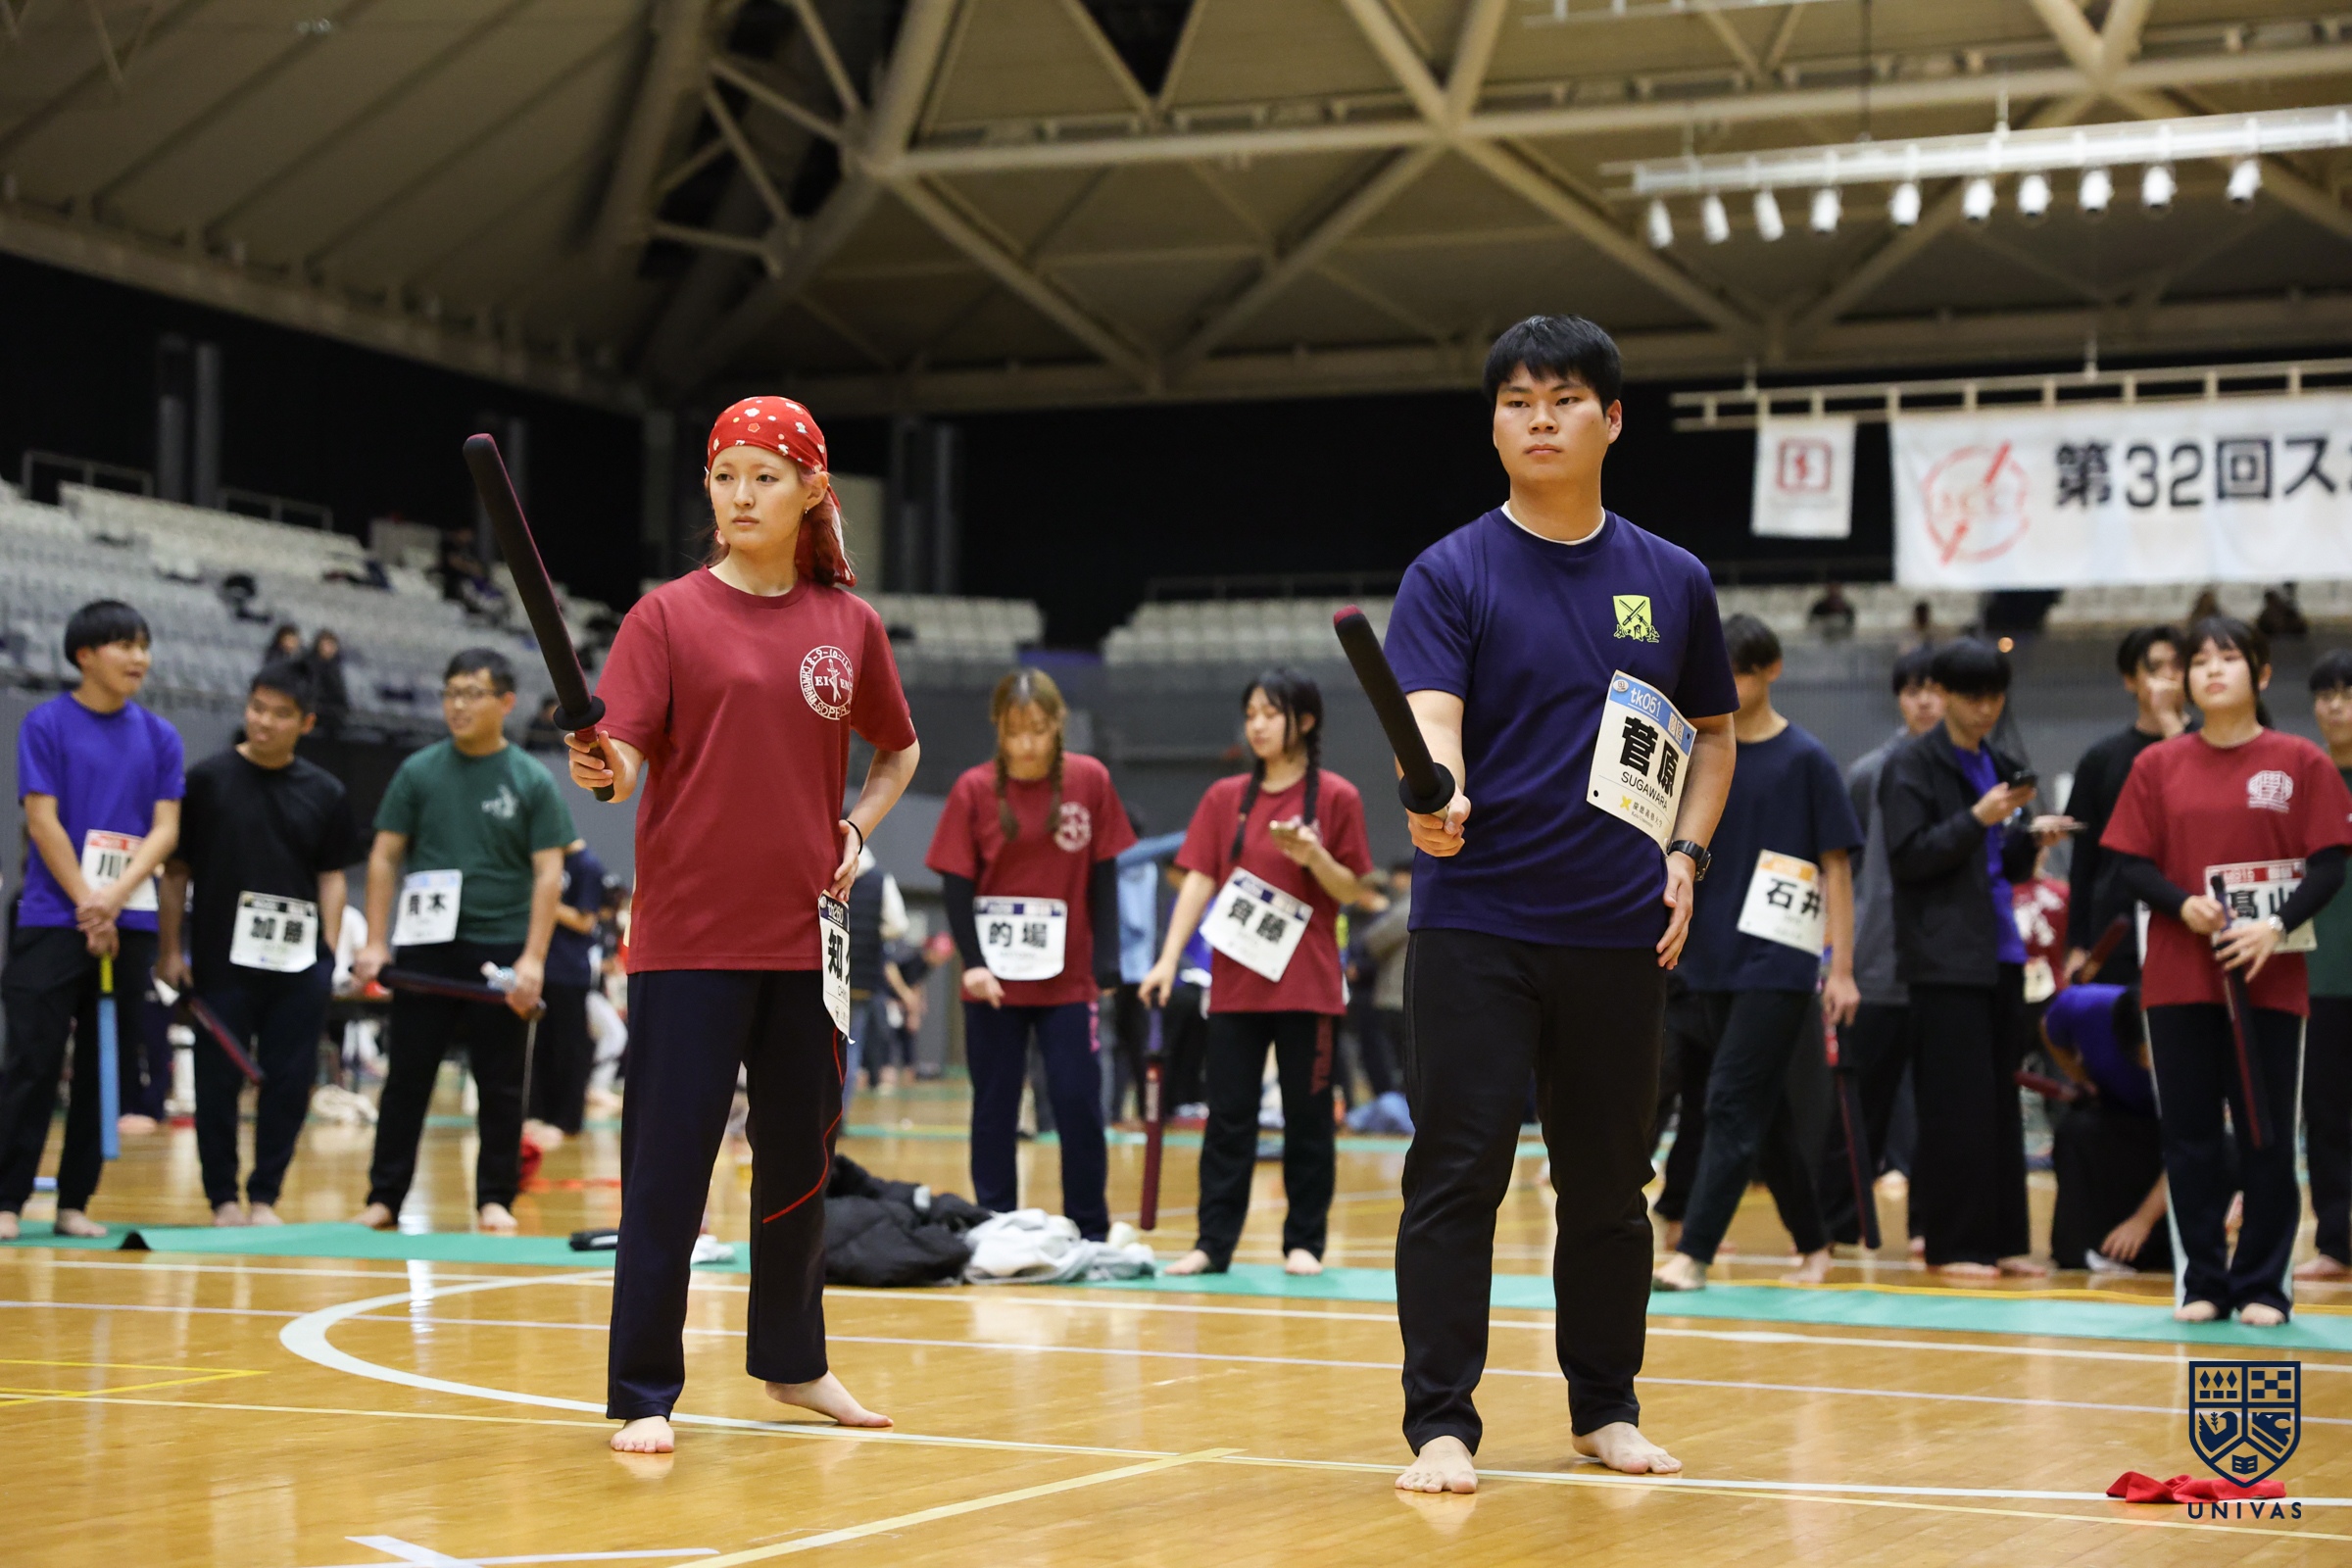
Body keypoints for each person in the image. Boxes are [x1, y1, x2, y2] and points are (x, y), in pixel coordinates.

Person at [1381, 316, 1737, 1493]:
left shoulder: (1673, 579)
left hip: (1618, 929)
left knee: (1609, 1186)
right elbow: (1432, 719)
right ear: (1494, 424)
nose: (1540, 419)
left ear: (1612, 420)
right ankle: (1441, 1420)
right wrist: (1438, 793)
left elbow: (1714, 736)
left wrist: (1686, 853)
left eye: (1565, 398)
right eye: (1517, 401)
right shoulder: (1451, 573)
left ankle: (1605, 1408)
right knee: (1457, 1173)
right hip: (1475, 924)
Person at [566, 394, 919, 1454]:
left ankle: (795, 1363)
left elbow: (898, 749)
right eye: (725, 476)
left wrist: (856, 829)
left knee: (800, 1163)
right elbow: (623, 763)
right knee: (669, 1165)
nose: (740, 495)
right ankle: (643, 1387)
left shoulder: (849, 625)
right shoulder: (664, 617)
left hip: (807, 937)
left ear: (812, 491)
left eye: (764, 476)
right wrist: (601, 762)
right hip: (689, 938)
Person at [2103, 617, 2352, 1324]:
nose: (2212, 670)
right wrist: (2181, 905)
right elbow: (2130, 864)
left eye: (2230, 657)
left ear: (2262, 674)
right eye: (2200, 661)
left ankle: (2265, 1285)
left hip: (2270, 977)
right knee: (2189, 1135)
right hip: (2179, 978)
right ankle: (2204, 1282)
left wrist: (2274, 927)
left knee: (2266, 1132)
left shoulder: (2300, 761)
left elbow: (2329, 863)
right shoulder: (2157, 766)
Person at [1141, 667, 1377, 1278]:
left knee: (1307, 1118)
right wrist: (1167, 958)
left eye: (1271, 714)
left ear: (1306, 720)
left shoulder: (1338, 798)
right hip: (1236, 986)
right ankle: (1212, 1243)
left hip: (1309, 988)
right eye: (1251, 715)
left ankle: (1305, 1242)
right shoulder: (1224, 799)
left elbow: (1350, 889)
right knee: (1228, 1117)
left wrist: (1313, 856)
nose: (1258, 726)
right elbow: (1199, 880)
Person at [1651, 614, 1859, 1292]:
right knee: (1760, 1112)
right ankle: (1815, 1244)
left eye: (1741, 671)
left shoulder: (1806, 760)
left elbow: (1836, 867)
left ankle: (1694, 1253)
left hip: (1780, 959)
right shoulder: (1700, 756)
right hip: (1707, 957)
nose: (1731, 685)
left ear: (1771, 670)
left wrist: (1842, 968)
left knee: (1730, 1101)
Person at [352, 648, 573, 1234]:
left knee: (500, 1084)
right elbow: (384, 856)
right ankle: (384, 1197)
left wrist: (533, 958)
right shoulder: (418, 771)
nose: (458, 705)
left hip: (500, 950)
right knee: (406, 1078)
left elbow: (548, 872)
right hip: (426, 948)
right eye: (451, 693)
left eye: (473, 693)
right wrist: (375, 941)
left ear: (506, 702)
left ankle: (494, 1198)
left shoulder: (530, 778)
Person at [1881, 638, 2068, 1277]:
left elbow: (2004, 865)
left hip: (2001, 950)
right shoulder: (1911, 765)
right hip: (1943, 956)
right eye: (1972, 697)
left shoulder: (2003, 763)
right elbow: (1909, 857)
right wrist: (1978, 817)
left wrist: (2031, 842)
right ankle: (1955, 1243)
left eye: (1995, 697)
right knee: (1954, 1103)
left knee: (1998, 1101)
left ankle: (2005, 1240)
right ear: (1946, 694)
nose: (1985, 709)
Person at [0, 601, 183, 1242]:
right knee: (33, 1059)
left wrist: (117, 897)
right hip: (54, 918)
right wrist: (87, 900)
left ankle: (75, 1201)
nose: (139, 658)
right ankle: (7, 1198)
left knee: (106, 1062)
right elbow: (41, 819)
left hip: (128, 922)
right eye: (123, 646)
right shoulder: (46, 724)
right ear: (84, 655)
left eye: (143, 646)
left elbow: (165, 829)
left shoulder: (160, 736)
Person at [928, 667, 1132, 1237]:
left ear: (1058, 724)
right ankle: (996, 1220)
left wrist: (1108, 956)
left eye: (1038, 731)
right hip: (994, 981)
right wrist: (973, 964)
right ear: (998, 727)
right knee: (995, 1104)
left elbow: (1105, 874)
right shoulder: (973, 789)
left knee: (1078, 1101)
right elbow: (956, 885)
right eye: (1015, 732)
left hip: (1069, 978)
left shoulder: (1090, 781)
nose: (1026, 745)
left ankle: (1090, 1227)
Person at [159, 662, 354, 1225]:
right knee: (217, 1078)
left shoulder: (326, 792)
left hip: (298, 963)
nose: (264, 722)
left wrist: (327, 951)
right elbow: (177, 872)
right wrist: (170, 951)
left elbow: (332, 876)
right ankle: (222, 1197)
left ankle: (265, 1195)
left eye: (280, 714)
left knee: (289, 1080)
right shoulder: (207, 781)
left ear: (306, 723)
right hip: (220, 960)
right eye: (257, 708)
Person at [1814, 644, 1940, 1250]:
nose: (1927, 702)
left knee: (1940, 1106)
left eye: (1937, 689)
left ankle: (1929, 1227)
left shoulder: (1972, 770)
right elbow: (1840, 870)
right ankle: (1838, 1226)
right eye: (1915, 690)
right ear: (1899, 698)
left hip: (1945, 965)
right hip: (1876, 963)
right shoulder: (1870, 773)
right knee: (1861, 1105)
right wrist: (1838, 960)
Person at [2062, 626, 2186, 990]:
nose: (2168, 677)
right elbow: (2084, 861)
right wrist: (2077, 944)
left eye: (2177, 666)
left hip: (2192, 917)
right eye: (2155, 667)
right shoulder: (2101, 759)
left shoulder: (2209, 748)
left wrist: (2171, 724)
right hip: (2118, 929)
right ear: (2130, 680)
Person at [2039, 982, 2170, 1274]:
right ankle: (2076, 1251)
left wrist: (2142, 1221)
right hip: (2116, 1112)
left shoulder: (2194, 1045)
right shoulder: (2082, 1006)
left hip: (2168, 1129)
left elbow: (2192, 1147)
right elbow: (2049, 1027)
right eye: (2146, 1055)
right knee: (2075, 1130)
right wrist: (2079, 1076)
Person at [2300, 649, 2352, 1282]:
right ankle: (2336, 1242)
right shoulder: (2304, 779)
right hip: (2320, 974)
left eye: (2347, 693)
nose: (2335, 706)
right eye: (2325, 694)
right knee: (2327, 1113)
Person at [525, 838, 608, 1148]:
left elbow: (586, 921)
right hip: (543, 967)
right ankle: (537, 1115)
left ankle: (566, 1119)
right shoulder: (549, 860)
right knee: (541, 1046)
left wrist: (545, 900)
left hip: (570, 971)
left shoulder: (587, 866)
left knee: (568, 1047)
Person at [306, 629, 350, 735]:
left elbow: (341, 696)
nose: (329, 649)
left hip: (333, 717)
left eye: (332, 645)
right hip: (315, 715)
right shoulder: (310, 666)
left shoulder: (335, 667)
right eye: (326, 645)